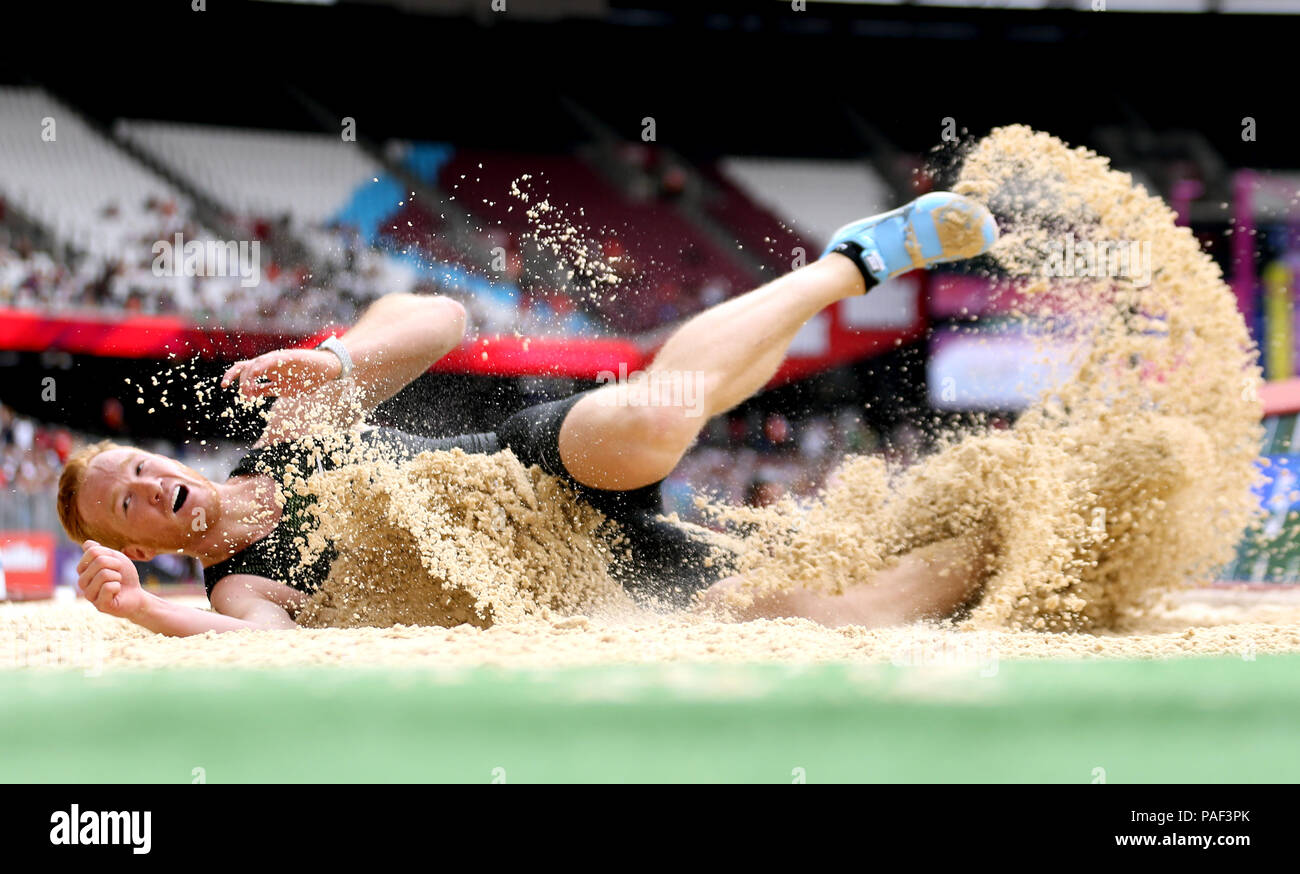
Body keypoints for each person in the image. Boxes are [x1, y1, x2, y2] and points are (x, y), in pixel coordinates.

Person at [58, 192, 998, 636]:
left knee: (654, 411)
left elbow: (441, 316)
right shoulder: (237, 589)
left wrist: (340, 359)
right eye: (125, 503)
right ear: (140, 547)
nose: (147, 483)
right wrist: (145, 613)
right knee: (846, 612)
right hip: (586, 577)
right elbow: (245, 649)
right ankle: (1009, 541)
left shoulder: (287, 432)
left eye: (136, 466)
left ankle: (850, 265)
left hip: (534, 468)